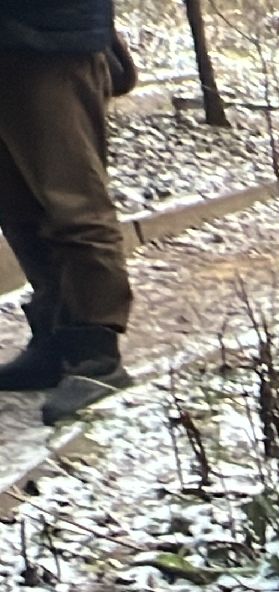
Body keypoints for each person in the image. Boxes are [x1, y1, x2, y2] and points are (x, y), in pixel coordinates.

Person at [0, 0, 136, 425]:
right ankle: (56, 341)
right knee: (17, 206)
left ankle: (96, 357)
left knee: (72, 201)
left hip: (51, 35)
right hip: (13, 35)